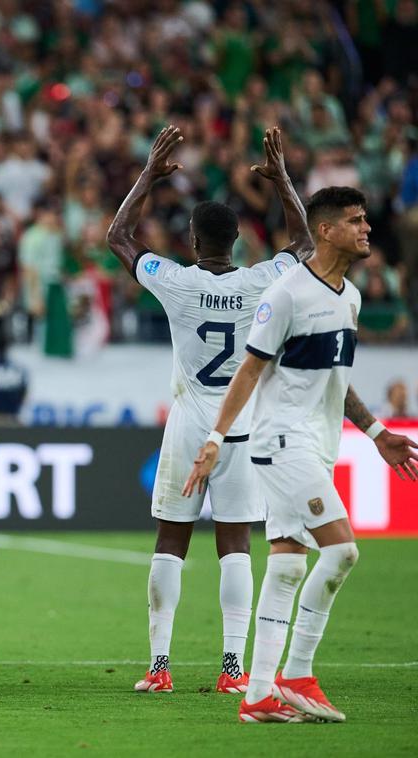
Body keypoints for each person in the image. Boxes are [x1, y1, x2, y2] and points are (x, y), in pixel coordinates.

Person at [183, 186, 418, 723]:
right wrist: (216, 440)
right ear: (327, 230)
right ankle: (297, 672)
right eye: (356, 221)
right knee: (342, 553)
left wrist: (377, 432)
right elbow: (250, 369)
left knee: (288, 565)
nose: (367, 229)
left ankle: (259, 694)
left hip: (319, 443)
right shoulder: (286, 294)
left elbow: (338, 381)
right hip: (282, 443)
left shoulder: (350, 298)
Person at [107, 126, 310, 696]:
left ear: (193, 240)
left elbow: (118, 236)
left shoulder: (173, 281)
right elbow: (306, 246)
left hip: (190, 423)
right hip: (242, 427)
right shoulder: (261, 282)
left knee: (171, 540)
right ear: (238, 239)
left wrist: (149, 172)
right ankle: (231, 669)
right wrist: (282, 180)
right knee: (237, 545)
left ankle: (160, 666)